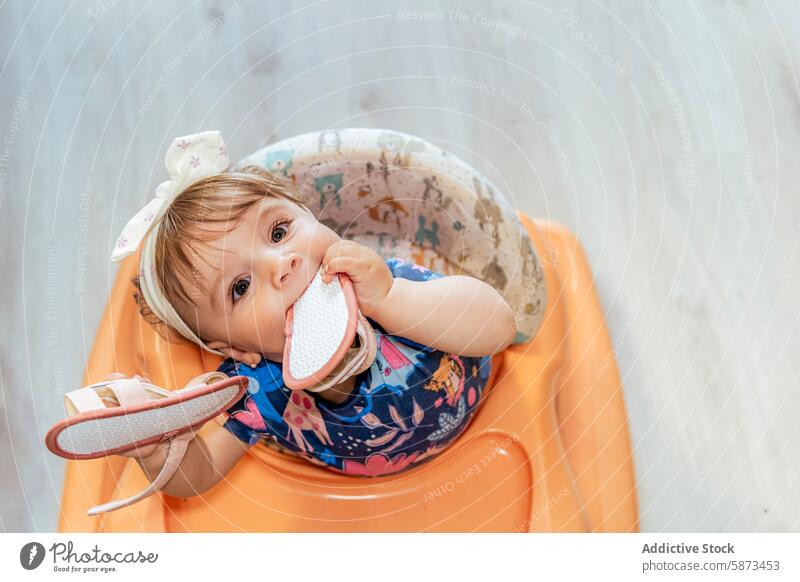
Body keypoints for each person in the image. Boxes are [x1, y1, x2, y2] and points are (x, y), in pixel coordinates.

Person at [105, 130, 515, 497]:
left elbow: (499, 327)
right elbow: (201, 473)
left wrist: (391, 300)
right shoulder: (256, 389)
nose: (281, 264)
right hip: (362, 504)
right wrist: (158, 455)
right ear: (234, 348)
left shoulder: (386, 282)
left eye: (279, 232)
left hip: (486, 415)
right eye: (240, 287)